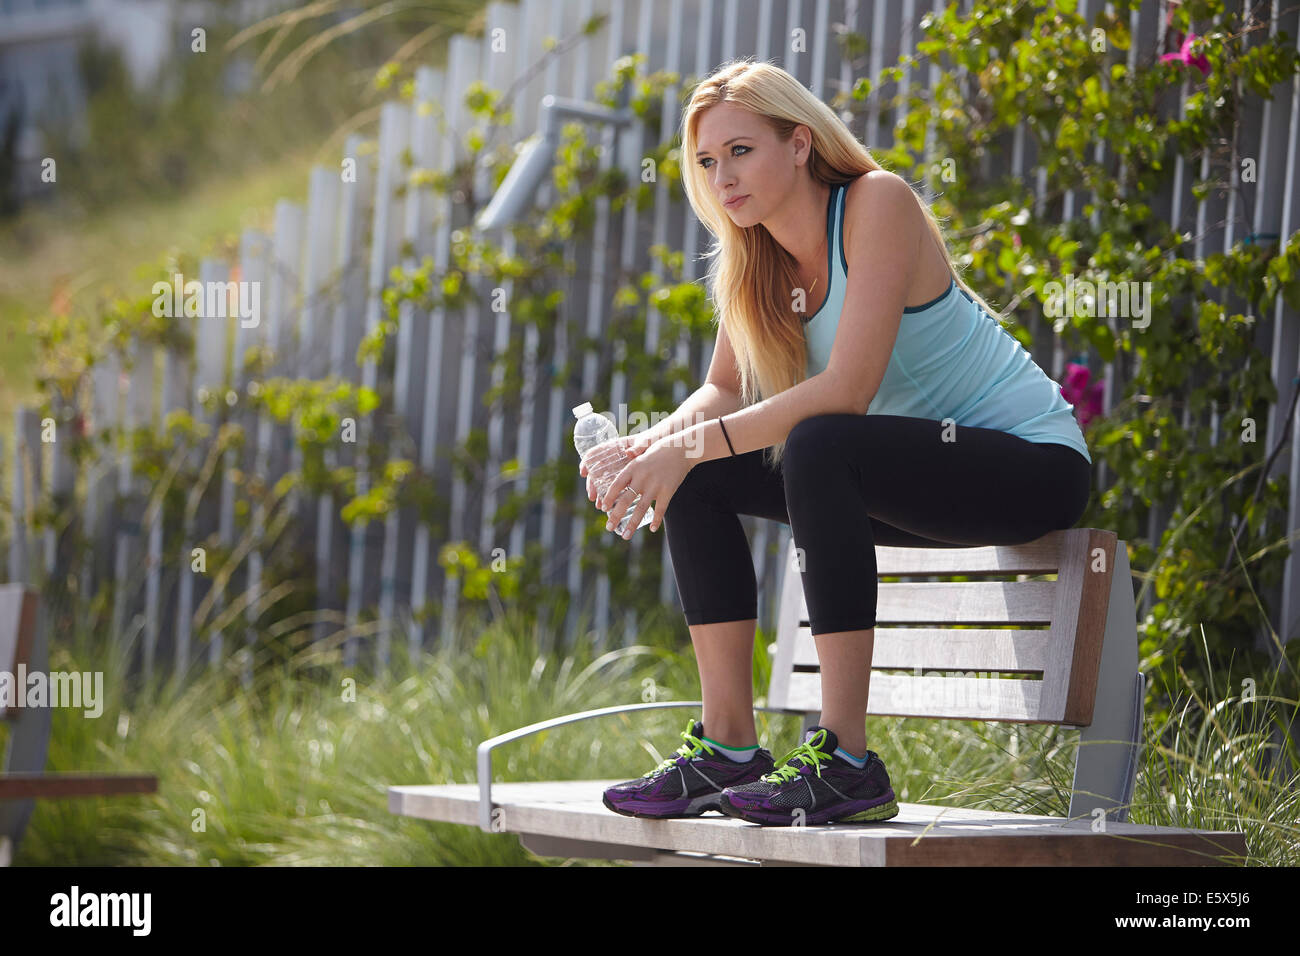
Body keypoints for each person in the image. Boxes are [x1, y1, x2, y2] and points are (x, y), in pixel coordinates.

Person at [580, 58, 1091, 827]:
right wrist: (644, 451)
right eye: (708, 162)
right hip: (902, 479)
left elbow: (846, 390)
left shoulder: (876, 204)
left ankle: (847, 760)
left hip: (1027, 465)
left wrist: (682, 448)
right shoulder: (752, 261)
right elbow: (722, 392)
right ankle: (727, 746)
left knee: (817, 441)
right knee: (700, 477)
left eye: (741, 150)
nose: (723, 177)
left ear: (799, 143)